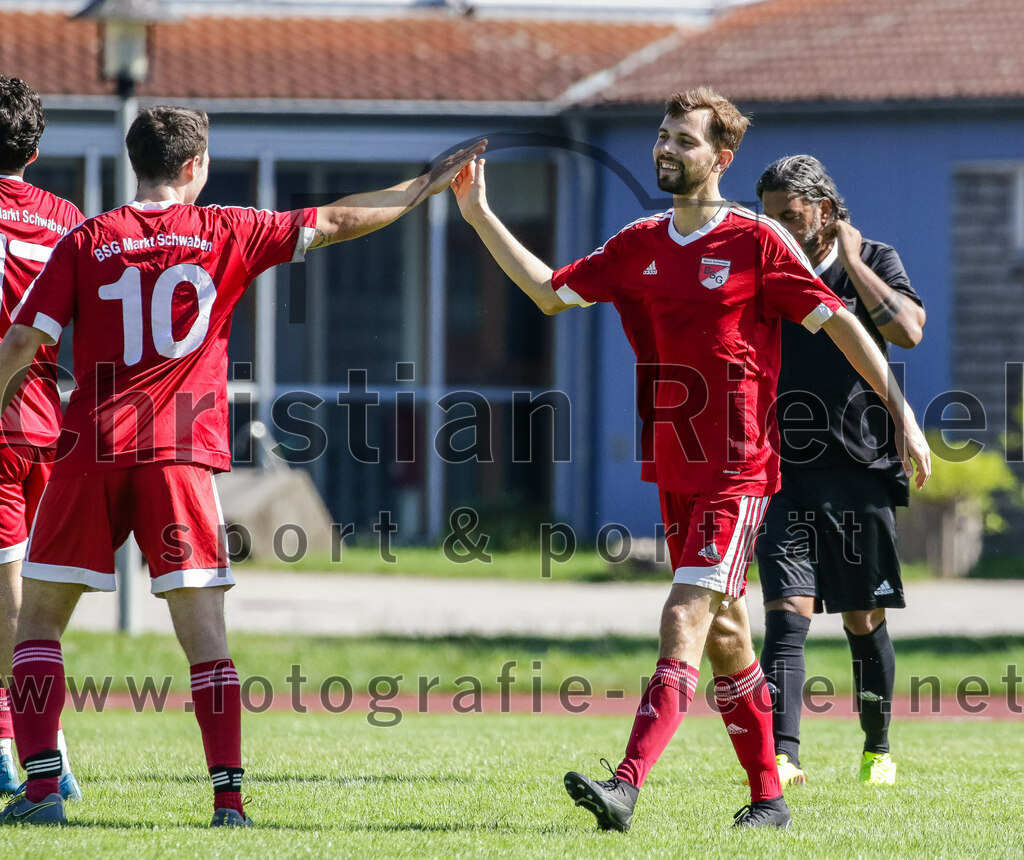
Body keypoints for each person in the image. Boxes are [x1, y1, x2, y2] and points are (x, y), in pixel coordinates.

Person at [450, 86, 930, 832]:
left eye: (685, 140)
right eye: (663, 135)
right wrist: (480, 213)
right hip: (673, 467)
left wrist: (904, 417)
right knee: (731, 639)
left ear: (721, 159)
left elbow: (840, 323)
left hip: (738, 473)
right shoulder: (639, 243)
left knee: (683, 617)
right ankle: (769, 798)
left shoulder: (757, 241)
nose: (666, 148)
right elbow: (550, 294)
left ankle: (626, 785)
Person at [0, 105, 485, 826]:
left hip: (89, 450)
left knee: (36, 624)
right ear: (195, 166)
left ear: (136, 162)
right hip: (181, 456)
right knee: (206, 640)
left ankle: (41, 791)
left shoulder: (87, 238)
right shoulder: (228, 228)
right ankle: (228, 801)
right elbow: (341, 220)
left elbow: (21, 343)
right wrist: (420, 188)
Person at [754, 154, 925, 787]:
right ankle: (784, 756)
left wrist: (851, 265)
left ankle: (877, 749)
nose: (776, 227)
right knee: (786, 613)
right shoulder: (762, 270)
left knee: (862, 616)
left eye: (789, 215)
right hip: (781, 470)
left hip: (860, 468)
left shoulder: (875, 260)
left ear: (824, 211)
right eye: (767, 216)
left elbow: (908, 331)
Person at [0, 75, 84, 803]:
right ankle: (45, 747)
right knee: (37, 603)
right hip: (48, 426)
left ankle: (25, 750)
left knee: (12, 601)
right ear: (36, 148)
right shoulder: (66, 218)